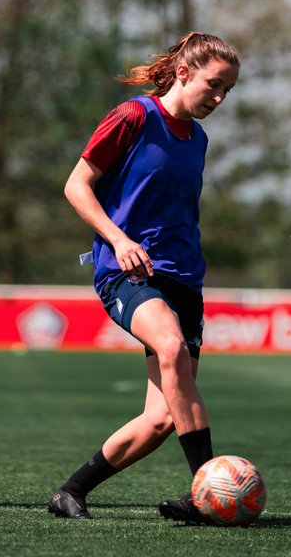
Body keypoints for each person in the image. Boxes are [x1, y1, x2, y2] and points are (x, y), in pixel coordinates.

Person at [48, 32, 240, 525]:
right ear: (183, 73)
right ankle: (209, 492)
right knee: (171, 348)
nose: (218, 99)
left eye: (227, 91)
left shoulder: (197, 139)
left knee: (159, 420)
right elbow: (76, 185)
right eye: (213, 86)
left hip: (184, 280)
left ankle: (71, 492)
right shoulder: (133, 117)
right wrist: (118, 239)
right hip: (129, 270)